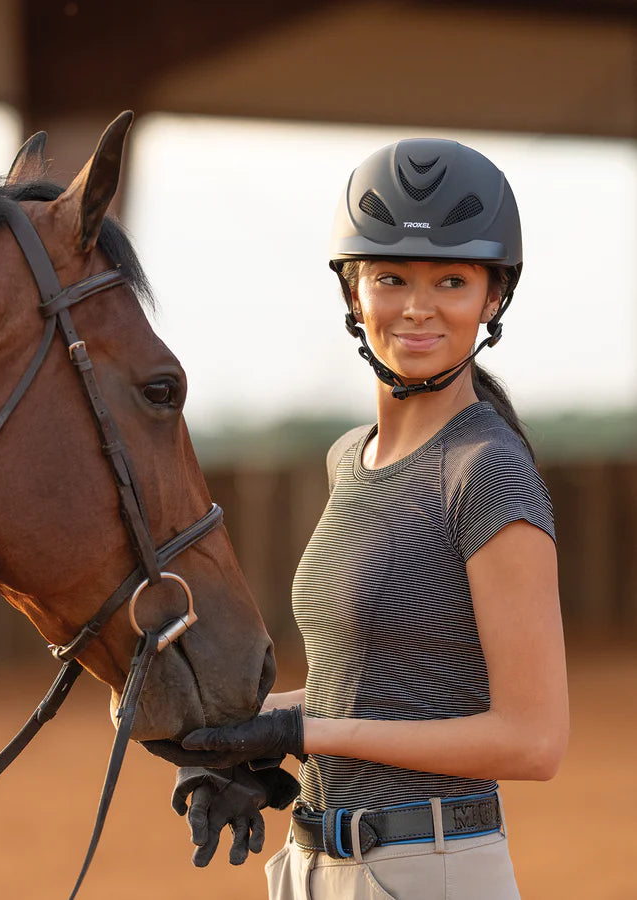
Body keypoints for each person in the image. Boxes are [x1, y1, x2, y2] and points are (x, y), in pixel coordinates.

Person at [169, 138, 569, 899]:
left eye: (451, 279)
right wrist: (231, 748)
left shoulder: (487, 469)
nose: (418, 307)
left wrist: (300, 734)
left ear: (493, 299)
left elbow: (535, 739)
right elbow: (365, 692)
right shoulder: (350, 458)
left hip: (431, 870)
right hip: (312, 865)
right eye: (391, 277)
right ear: (354, 293)